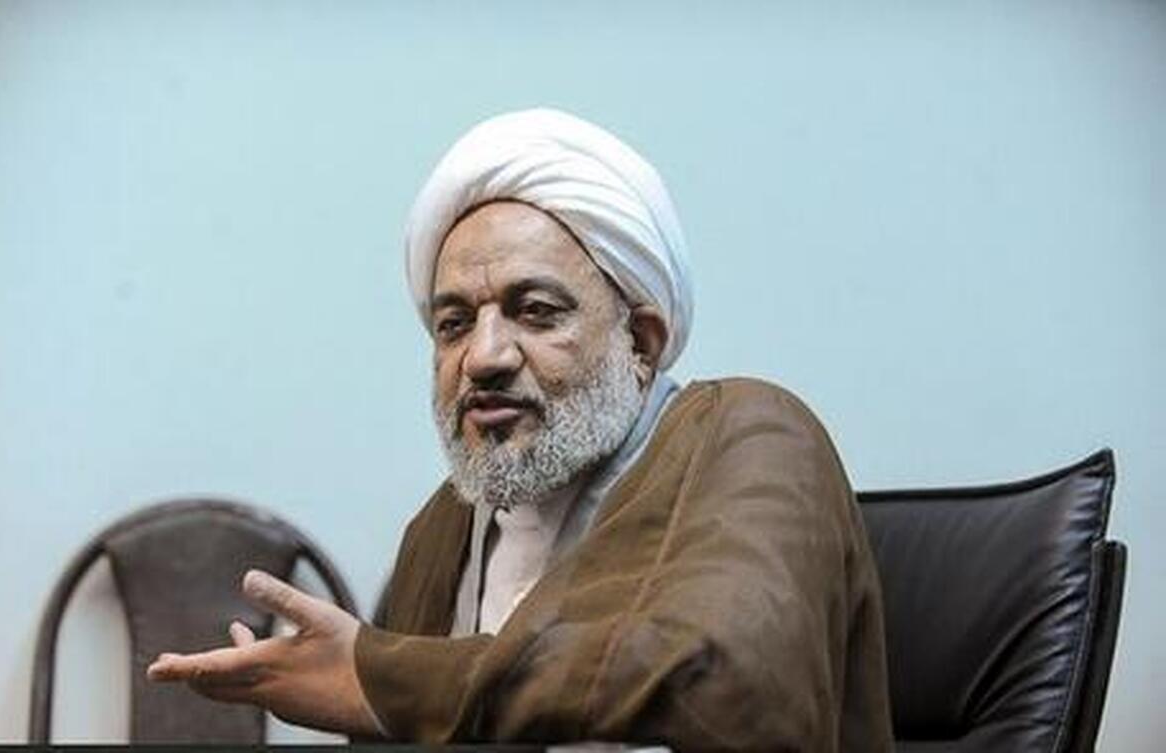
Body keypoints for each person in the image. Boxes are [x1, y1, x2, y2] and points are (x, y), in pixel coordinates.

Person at [148, 109, 894, 751]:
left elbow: (734, 681)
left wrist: (384, 675)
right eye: (453, 324)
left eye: (535, 311)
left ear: (641, 341)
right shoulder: (442, 529)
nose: (484, 357)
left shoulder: (752, 434)